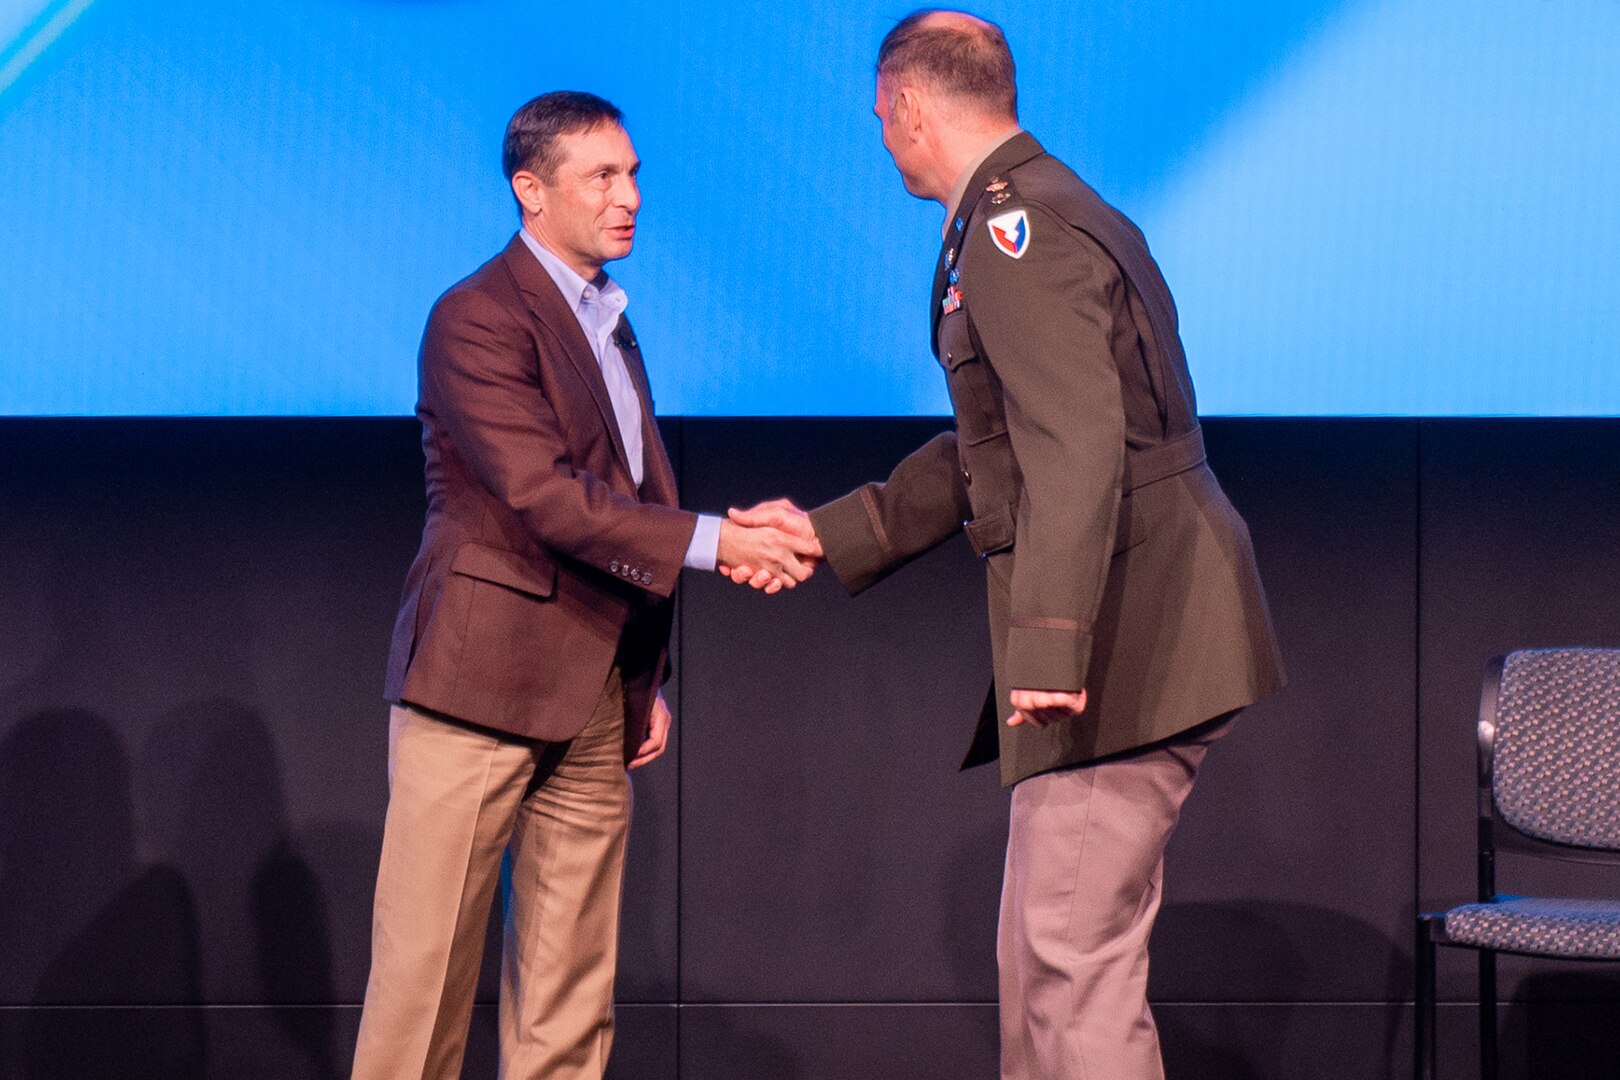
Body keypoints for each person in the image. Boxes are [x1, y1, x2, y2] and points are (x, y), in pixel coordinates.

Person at [726, 12, 1285, 1079]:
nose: (882, 136)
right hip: (1129, 611)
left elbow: (1077, 449)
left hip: (1126, 627)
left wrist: (1051, 646)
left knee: (1071, 966)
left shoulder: (1015, 229)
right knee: (1042, 962)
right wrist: (831, 532)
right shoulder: (1031, 209)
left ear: (905, 109)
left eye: (880, 119)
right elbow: (1005, 444)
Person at [351, 91, 815, 1080]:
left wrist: (643, 679)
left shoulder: (610, 320)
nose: (631, 196)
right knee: (422, 992)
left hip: (597, 697)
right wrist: (722, 543)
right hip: (478, 688)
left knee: (569, 1003)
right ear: (531, 190)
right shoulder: (476, 315)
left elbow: (627, 496)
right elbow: (547, 501)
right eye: (603, 175)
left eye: (634, 172)